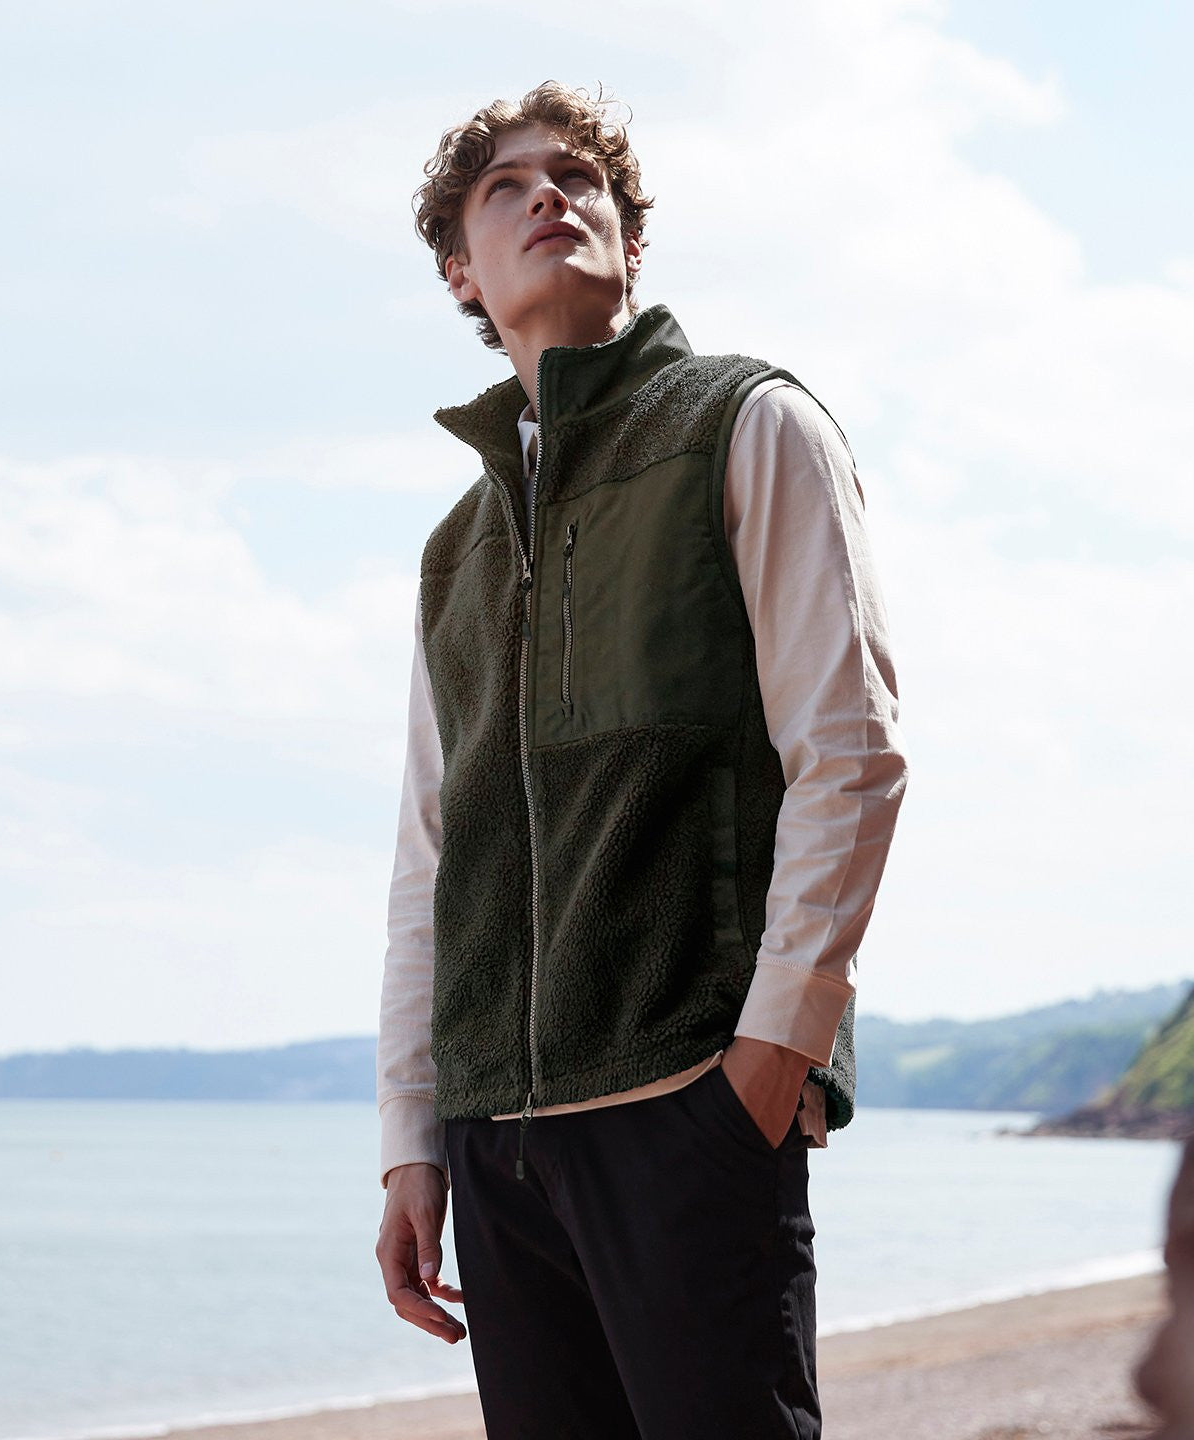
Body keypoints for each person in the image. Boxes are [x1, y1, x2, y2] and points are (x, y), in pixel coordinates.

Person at [375, 81, 910, 1440]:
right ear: (460, 272)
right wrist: (412, 1144)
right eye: (506, 188)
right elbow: (432, 857)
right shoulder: (455, 551)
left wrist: (771, 1062)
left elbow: (850, 754)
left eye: (579, 178)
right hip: (498, 1147)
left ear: (630, 233)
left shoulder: (748, 423)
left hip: (689, 1104)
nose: (551, 196)